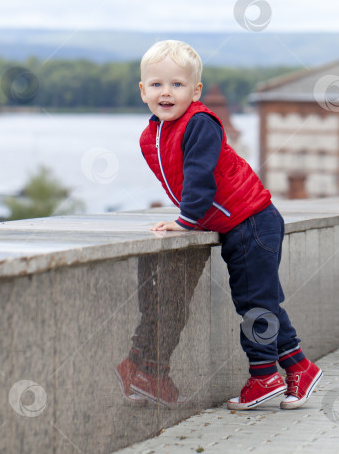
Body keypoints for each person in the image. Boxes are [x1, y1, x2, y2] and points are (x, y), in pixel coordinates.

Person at [138, 40, 323, 410]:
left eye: (177, 84)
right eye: (156, 84)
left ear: (196, 90)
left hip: (253, 221)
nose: (166, 93)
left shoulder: (200, 123)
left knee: (255, 304)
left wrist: (186, 221)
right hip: (236, 225)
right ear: (143, 91)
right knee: (263, 300)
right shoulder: (152, 136)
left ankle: (263, 377)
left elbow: (199, 176)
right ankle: (300, 368)